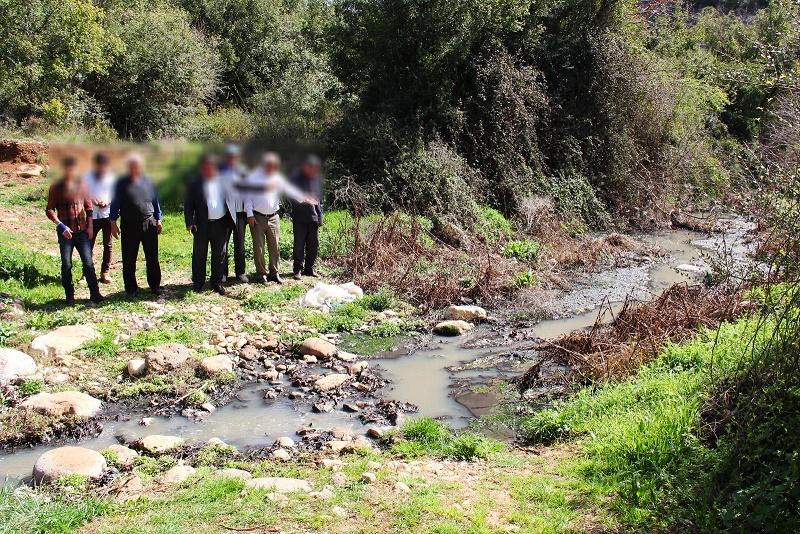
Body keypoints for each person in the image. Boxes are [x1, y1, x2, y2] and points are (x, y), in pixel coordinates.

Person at [244, 153, 316, 284]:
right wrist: (249, 214)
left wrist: (304, 198)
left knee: (274, 247)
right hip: (257, 217)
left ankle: (274, 273)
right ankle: (261, 274)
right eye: (269, 165)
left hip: (273, 217)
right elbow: (247, 197)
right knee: (258, 248)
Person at [45, 156, 104, 305]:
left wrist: (90, 227)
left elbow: (89, 208)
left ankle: (95, 293)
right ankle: (69, 295)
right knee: (67, 264)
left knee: (88, 262)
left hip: (82, 231)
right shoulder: (56, 187)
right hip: (66, 233)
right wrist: (60, 225)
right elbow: (50, 209)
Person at [109, 153, 163, 297]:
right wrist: (113, 223)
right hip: (129, 225)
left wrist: (158, 219)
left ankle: (155, 285)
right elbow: (115, 204)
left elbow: (155, 201)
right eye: (132, 166)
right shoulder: (121, 183)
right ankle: (131, 288)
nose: (135, 168)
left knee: (152, 257)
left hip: (149, 223)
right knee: (129, 258)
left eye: (137, 166)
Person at [184, 155, 235, 295]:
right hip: (201, 224)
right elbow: (188, 204)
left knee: (220, 254)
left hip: (221, 223)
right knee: (200, 254)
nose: (209, 170)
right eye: (206, 167)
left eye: (211, 167)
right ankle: (198, 283)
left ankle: (216, 282)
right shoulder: (195, 183)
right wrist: (189, 222)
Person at [290, 155, 324, 280]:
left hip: (313, 217)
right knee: (299, 244)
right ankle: (297, 269)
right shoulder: (296, 178)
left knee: (313, 244)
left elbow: (319, 200)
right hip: (300, 217)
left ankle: (309, 268)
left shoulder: (315, 179)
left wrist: (320, 216)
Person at [219, 144, 249, 283]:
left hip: (241, 212)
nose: (232, 159)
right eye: (230, 156)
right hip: (226, 212)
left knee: (240, 243)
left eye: (235, 157)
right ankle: (222, 273)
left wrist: (249, 213)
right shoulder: (220, 171)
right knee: (223, 243)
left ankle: (240, 272)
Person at [84, 152, 115, 284]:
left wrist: (107, 201)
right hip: (92, 214)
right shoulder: (87, 177)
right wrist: (93, 199)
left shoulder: (111, 178)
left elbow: (114, 194)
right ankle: (86, 274)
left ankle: (105, 272)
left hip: (107, 214)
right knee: (88, 244)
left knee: (108, 245)